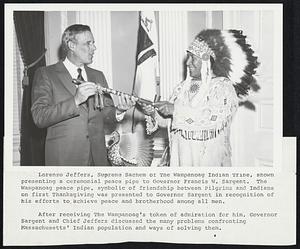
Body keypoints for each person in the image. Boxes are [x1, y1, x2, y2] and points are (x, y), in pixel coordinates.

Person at [144, 29, 259, 167]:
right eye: (188, 57)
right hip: (180, 158)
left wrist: (175, 110)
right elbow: (171, 123)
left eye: (193, 58)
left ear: (206, 61)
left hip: (208, 159)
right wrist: (154, 113)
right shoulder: (182, 88)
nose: (187, 63)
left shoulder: (222, 87)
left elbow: (212, 118)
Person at [31, 24, 135, 166]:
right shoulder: (46, 74)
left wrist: (119, 110)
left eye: (93, 43)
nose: (94, 48)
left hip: (97, 159)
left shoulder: (98, 75)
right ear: (72, 45)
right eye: (88, 43)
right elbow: (39, 117)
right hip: (64, 160)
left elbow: (105, 113)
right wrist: (75, 101)